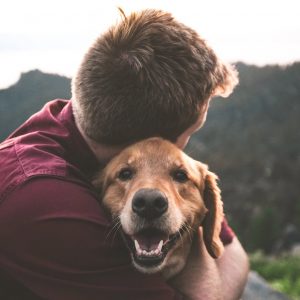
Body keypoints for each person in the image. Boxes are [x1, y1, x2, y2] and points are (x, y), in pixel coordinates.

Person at [0, 9, 249, 300]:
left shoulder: (79, 121)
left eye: (177, 172)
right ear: (152, 140)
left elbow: (233, 253)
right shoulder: (44, 200)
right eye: (191, 132)